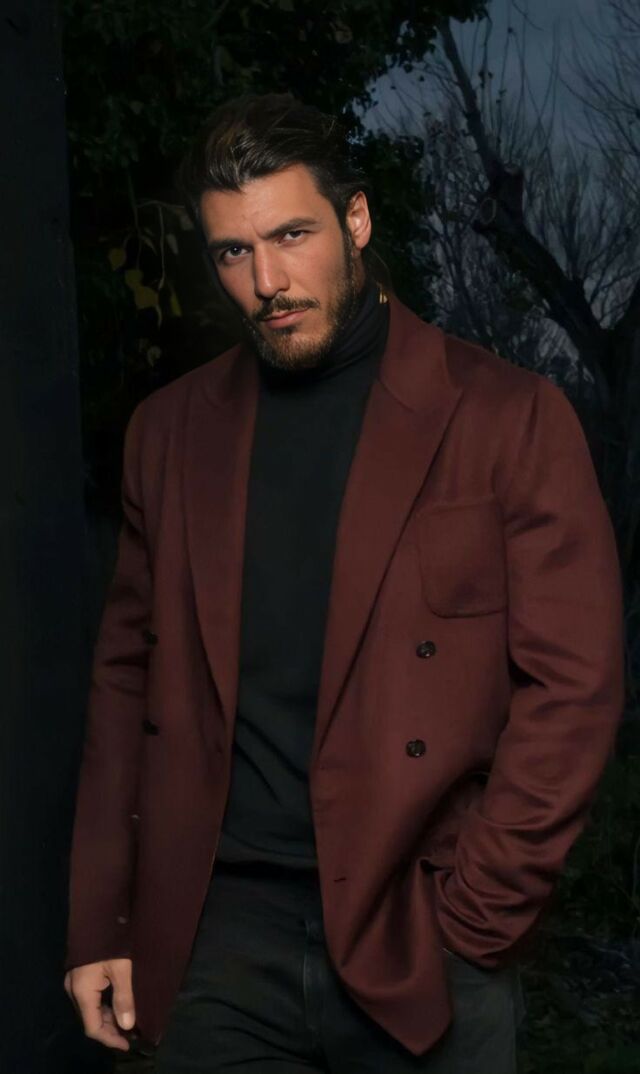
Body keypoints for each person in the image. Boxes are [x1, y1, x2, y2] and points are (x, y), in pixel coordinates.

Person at [64, 94, 625, 1074]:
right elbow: (124, 685)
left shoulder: (508, 417)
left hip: (422, 930)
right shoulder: (170, 433)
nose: (267, 282)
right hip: (216, 943)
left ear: (355, 220)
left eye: (292, 235)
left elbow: (574, 687)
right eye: (234, 251)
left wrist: (478, 917)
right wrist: (102, 920)